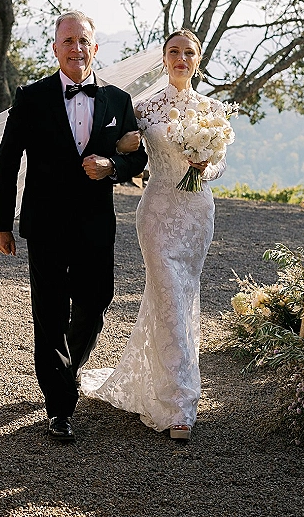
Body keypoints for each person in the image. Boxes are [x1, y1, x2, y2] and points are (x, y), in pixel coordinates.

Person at [0, 11, 147, 442]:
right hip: (44, 224)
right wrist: (1, 223)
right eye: (68, 41)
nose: (76, 48)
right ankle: (59, 408)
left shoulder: (117, 100)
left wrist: (112, 165)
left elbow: (138, 158)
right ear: (55, 48)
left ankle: (68, 369)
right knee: (51, 314)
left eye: (84, 41)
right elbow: (6, 163)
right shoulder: (31, 97)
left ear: (95, 48)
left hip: (96, 225)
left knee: (97, 304)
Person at [80, 29, 230, 440]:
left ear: (198, 60)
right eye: (174, 52)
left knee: (179, 297)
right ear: (164, 59)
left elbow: (220, 166)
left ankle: (155, 380)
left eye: (189, 53)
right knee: (168, 293)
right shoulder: (144, 109)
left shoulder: (212, 110)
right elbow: (119, 146)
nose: (181, 59)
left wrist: (206, 167)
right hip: (158, 213)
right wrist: (123, 144)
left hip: (198, 213)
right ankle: (179, 406)